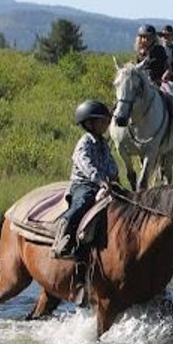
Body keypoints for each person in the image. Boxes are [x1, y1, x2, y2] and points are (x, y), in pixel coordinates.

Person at [52, 99, 120, 259]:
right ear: (90, 124)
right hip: (84, 184)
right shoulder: (85, 143)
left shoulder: (103, 144)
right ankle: (64, 231)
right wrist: (101, 181)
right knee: (83, 201)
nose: (106, 125)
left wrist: (114, 176)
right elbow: (86, 165)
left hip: (103, 185)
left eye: (107, 121)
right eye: (102, 121)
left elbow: (111, 164)